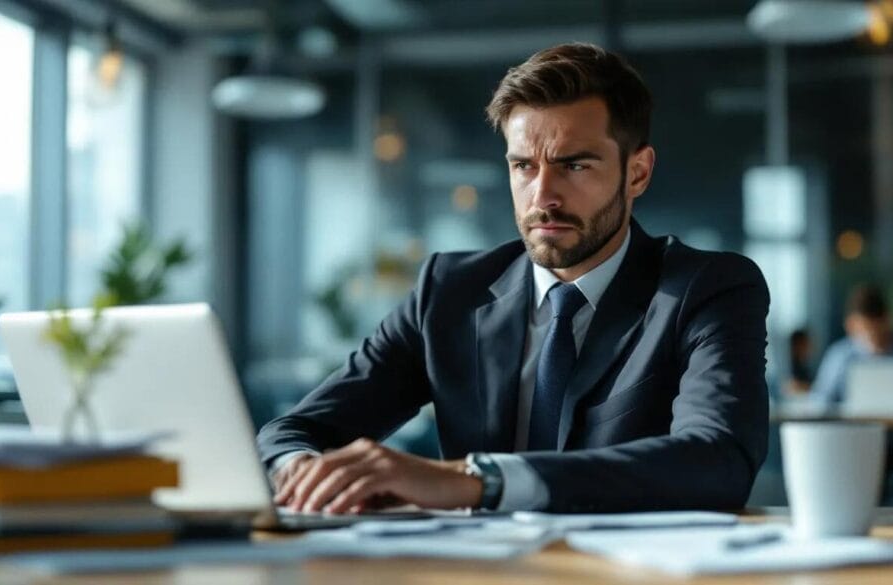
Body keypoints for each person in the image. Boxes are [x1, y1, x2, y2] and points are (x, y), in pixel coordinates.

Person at [257, 43, 770, 514]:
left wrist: (476, 480)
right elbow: (295, 430)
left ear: (636, 173)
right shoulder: (448, 292)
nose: (542, 195)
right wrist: (302, 472)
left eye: (574, 165)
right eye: (523, 165)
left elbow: (717, 460)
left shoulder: (707, 289)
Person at [809, 284, 893, 405]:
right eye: (866, 331)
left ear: (889, 321)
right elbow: (820, 400)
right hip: (855, 423)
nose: (873, 338)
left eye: (878, 331)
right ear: (851, 326)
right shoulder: (840, 356)